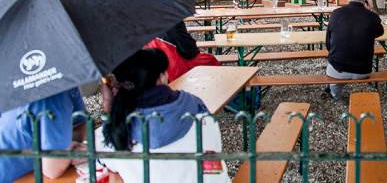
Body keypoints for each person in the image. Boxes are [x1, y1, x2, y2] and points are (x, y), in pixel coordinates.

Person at [96, 48, 228, 183]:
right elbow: (214, 146)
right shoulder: (196, 107)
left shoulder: (117, 130)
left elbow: (101, 157)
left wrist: (108, 106)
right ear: (161, 78)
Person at [0, 88, 87, 182]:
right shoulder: (52, 94)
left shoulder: (65, 84)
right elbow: (53, 169)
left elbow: (80, 124)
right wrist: (68, 153)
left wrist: (75, 146)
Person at [324, 0, 384, 101]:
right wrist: (369, 11)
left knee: (334, 68)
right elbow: (379, 32)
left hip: (337, 69)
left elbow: (328, 43)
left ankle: (335, 94)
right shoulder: (372, 17)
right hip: (363, 70)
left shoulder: (336, 14)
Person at [145, 21, 221, 81]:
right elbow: (189, 51)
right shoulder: (171, 19)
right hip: (174, 69)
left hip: (150, 70)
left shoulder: (139, 22)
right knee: (210, 60)